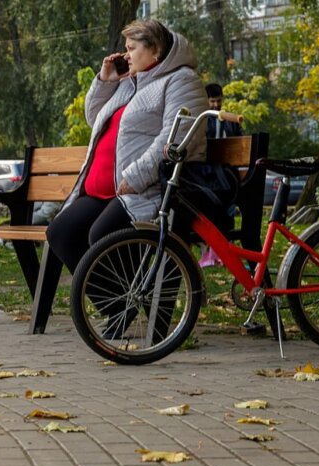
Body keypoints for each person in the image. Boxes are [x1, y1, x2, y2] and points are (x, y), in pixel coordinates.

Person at [46, 19, 208, 335]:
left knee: (100, 235)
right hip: (105, 191)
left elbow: (176, 137)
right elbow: (96, 118)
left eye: (133, 48)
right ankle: (119, 306)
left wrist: (135, 176)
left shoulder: (181, 80)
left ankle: (144, 315)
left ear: (156, 49)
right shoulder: (132, 83)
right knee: (61, 233)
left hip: (147, 188)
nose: (126, 54)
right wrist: (106, 81)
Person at [198, 82, 241, 267]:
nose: (216, 105)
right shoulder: (204, 120)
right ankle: (208, 251)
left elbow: (238, 144)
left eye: (218, 101)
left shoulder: (229, 121)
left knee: (227, 203)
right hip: (208, 173)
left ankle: (224, 248)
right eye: (212, 101)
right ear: (207, 101)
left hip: (226, 172)